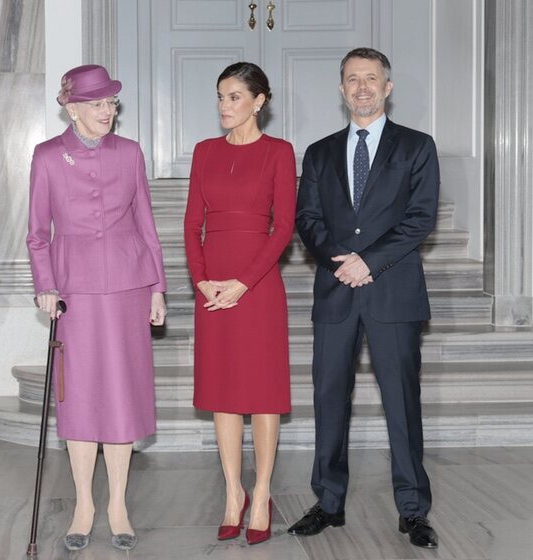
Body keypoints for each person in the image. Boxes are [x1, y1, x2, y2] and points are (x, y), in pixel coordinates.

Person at [287, 47, 439, 549]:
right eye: (353, 79)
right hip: (335, 292)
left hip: (392, 293)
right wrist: (340, 258)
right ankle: (328, 503)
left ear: (387, 87)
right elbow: (307, 220)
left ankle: (413, 510)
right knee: (329, 399)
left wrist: (368, 261)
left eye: (371, 79)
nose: (362, 88)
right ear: (341, 88)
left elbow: (419, 218)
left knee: (401, 402)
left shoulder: (417, 147)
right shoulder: (319, 152)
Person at [27, 64, 167, 552]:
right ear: (72, 108)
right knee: (81, 396)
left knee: (123, 394)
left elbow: (147, 223)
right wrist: (45, 285)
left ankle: (119, 504)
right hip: (75, 292)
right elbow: (36, 232)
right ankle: (85, 502)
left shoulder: (129, 153)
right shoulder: (46, 156)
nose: (108, 111)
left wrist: (157, 287)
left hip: (129, 288)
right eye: (97, 104)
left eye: (111, 103)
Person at [183, 62, 295, 546]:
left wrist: (243, 283)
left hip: (259, 285)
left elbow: (284, 227)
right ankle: (234, 493)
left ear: (259, 100)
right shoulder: (204, 152)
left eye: (234, 97)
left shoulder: (280, 152)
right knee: (223, 394)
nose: (224, 106)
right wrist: (202, 281)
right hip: (212, 289)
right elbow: (191, 225)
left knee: (263, 394)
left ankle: (263, 492)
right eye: (221, 97)